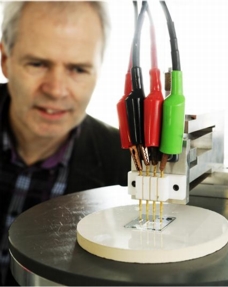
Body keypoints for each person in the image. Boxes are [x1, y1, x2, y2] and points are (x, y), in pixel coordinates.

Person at [0, 2, 131, 285]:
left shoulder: (123, 165)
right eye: (37, 64)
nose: (56, 90)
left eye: (78, 69)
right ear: (5, 60)